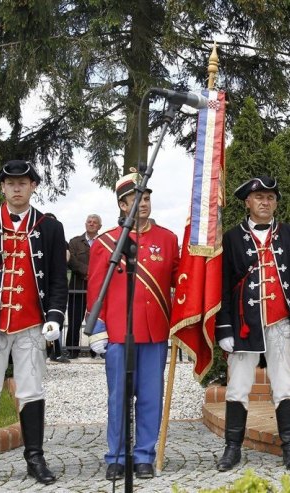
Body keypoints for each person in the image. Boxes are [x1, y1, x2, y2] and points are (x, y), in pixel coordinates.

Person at [215, 176, 290, 472]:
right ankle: (232, 448)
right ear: (247, 202)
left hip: (281, 323)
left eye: (271, 197)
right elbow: (223, 287)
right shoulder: (231, 238)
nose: (265, 202)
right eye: (259, 197)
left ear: (276, 202)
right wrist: (223, 328)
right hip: (243, 325)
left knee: (284, 385)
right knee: (238, 387)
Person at [86, 172, 179, 481]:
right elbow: (96, 287)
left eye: (147, 197)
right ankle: (116, 455)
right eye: (137, 198)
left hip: (154, 332)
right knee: (119, 397)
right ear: (123, 205)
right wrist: (97, 328)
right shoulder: (106, 241)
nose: (144, 203)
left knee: (151, 397)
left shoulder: (168, 239)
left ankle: (143, 456)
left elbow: (180, 281)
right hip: (118, 332)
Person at [0, 160, 68, 485]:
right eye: (11, 183)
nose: (17, 188)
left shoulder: (49, 227)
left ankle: (35, 457)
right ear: (2, 188)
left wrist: (54, 316)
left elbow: (57, 280)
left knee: (31, 390)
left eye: (23, 182)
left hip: (31, 324)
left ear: (33, 186)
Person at [67, 214, 102, 358]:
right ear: (85, 224)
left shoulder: (104, 241)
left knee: (96, 320)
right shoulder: (75, 242)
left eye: (95, 222)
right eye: (89, 222)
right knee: (74, 320)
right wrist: (88, 273)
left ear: (100, 226)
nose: (91, 224)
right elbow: (72, 261)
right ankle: (72, 350)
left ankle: (95, 350)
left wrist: (95, 275)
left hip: (98, 289)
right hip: (77, 286)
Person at [43, 212, 71, 364]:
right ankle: (50, 351)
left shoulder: (61, 241)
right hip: (41, 288)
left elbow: (65, 258)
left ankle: (57, 352)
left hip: (53, 286)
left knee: (55, 321)